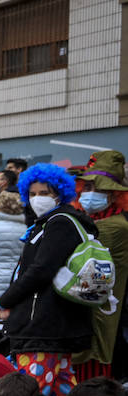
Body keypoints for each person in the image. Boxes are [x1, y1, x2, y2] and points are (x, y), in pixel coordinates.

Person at [0, 163, 96, 396]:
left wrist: (7, 299)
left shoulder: (60, 223)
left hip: (44, 324)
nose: (37, 199)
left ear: (59, 193)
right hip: (52, 325)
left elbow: (41, 270)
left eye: (45, 193)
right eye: (32, 194)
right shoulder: (50, 222)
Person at [72, 151, 128, 381]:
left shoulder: (112, 226)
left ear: (115, 195)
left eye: (99, 190)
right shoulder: (95, 220)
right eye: (87, 188)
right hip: (91, 308)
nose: (90, 195)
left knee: (90, 379)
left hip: (96, 313)